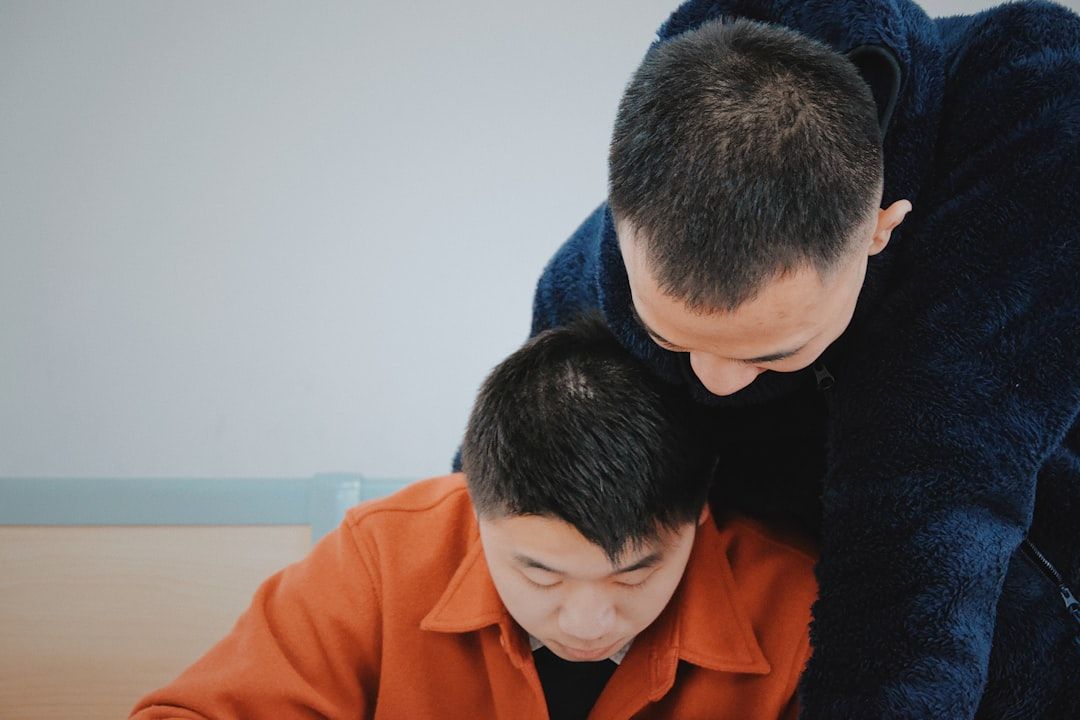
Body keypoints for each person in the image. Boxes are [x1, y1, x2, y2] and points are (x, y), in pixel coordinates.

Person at [527, 4, 1080, 719]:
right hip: (776, 648)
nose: (715, 382)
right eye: (671, 339)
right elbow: (529, 498)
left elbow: (929, 493)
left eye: (770, 351)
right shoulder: (576, 289)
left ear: (882, 228)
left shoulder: (1036, 106)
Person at [129, 316, 818, 720]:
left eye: (635, 575)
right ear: (475, 507)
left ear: (698, 516)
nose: (586, 622)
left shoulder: (796, 604)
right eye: (540, 575)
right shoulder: (381, 560)